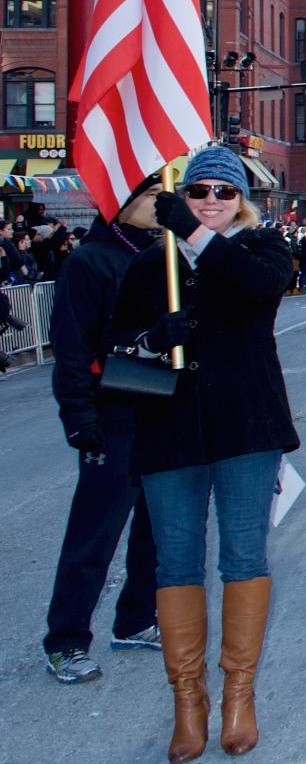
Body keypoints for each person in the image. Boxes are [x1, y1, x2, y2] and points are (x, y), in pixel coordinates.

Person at [108, 146, 297, 762]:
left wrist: (190, 234)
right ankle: (187, 701)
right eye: (198, 192)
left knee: (244, 554)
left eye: (223, 191)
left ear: (240, 199)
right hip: (170, 431)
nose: (210, 201)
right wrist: (152, 339)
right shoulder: (150, 267)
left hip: (245, 426)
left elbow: (257, 290)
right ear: (182, 194)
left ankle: (238, 696)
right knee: (176, 564)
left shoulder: (260, 249)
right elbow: (113, 348)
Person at [42, 175, 165, 685]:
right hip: (110, 414)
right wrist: (78, 416)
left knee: (155, 528)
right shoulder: (89, 261)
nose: (165, 205)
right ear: (124, 202)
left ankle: (135, 619)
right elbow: (71, 346)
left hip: (160, 409)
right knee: (95, 532)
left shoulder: (165, 258)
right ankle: (66, 639)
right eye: (155, 197)